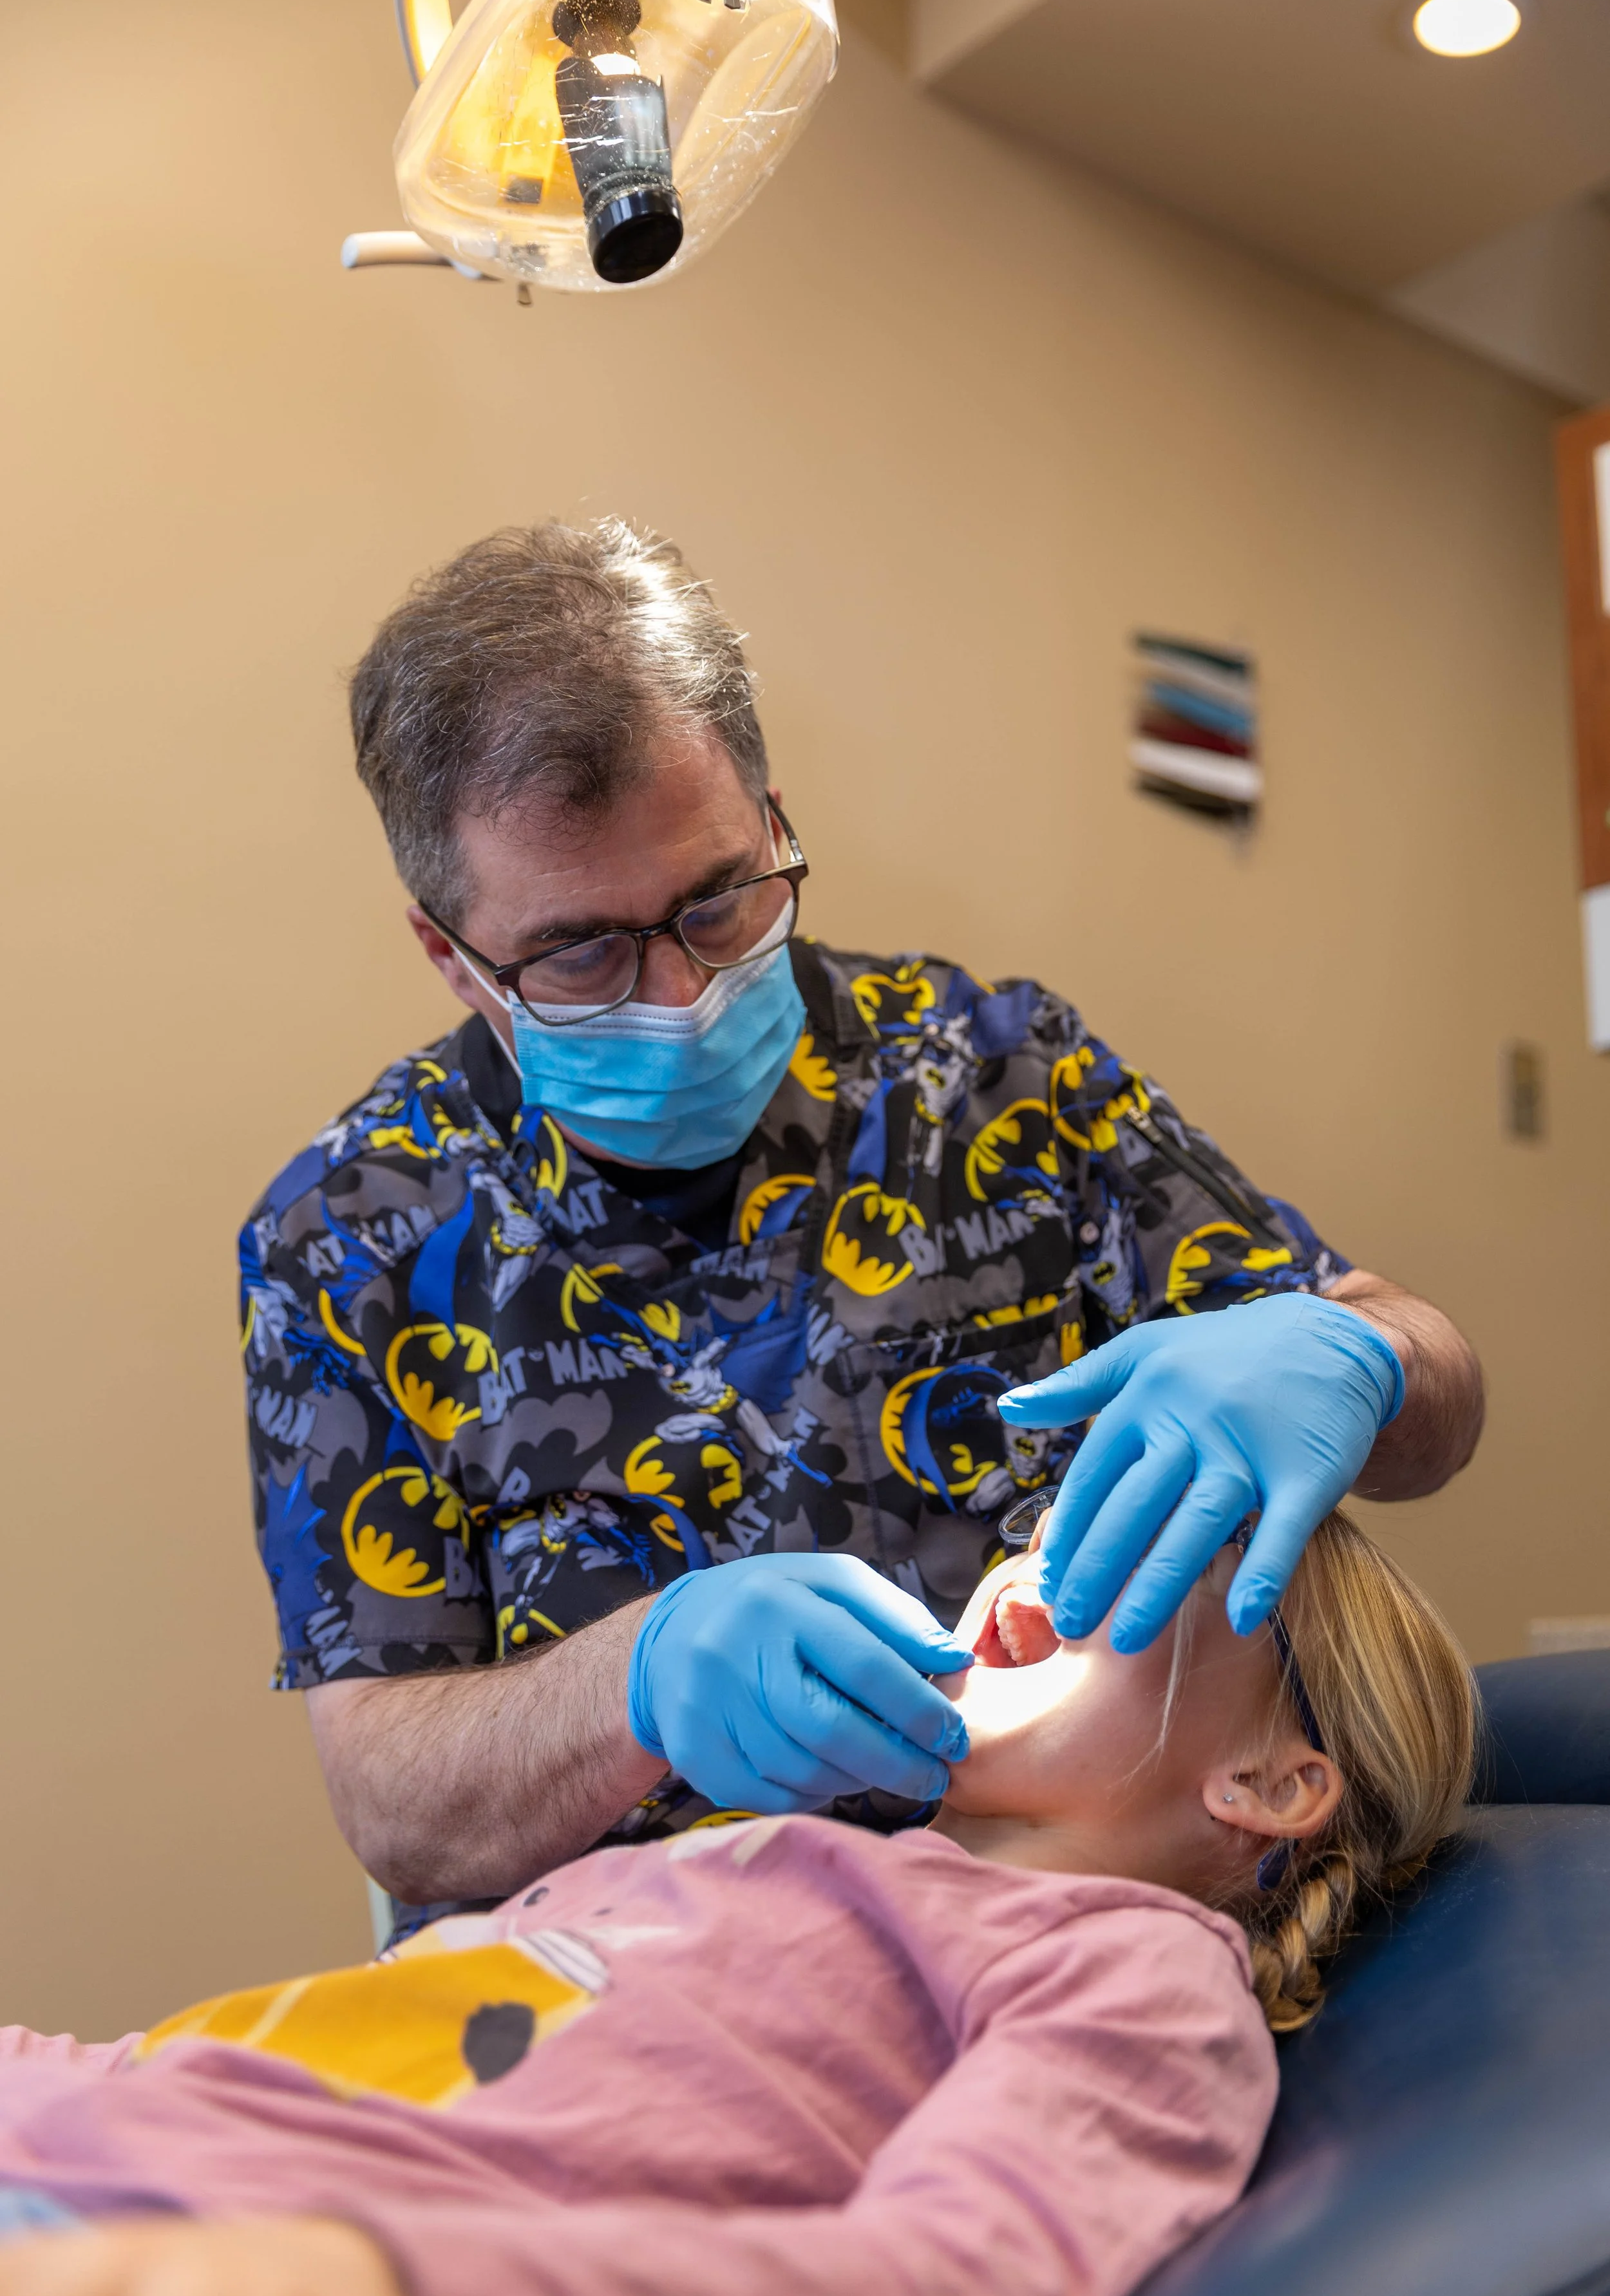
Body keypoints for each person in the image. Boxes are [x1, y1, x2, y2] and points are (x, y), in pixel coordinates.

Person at [240, 518, 1484, 1915]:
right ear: (452, 958)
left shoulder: (999, 1073)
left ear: (771, 819)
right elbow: (397, 1813)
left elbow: (1426, 1399)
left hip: (1033, 1916)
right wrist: (631, 1682)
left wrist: (1364, 1359)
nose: (678, 992)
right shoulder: (348, 1235)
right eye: (581, 950)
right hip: (614, 1993)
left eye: (718, 899)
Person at [0, 1513, 1473, 2296]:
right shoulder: (738, 1860)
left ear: (1272, 1784)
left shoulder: (1125, 1970)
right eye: (1061, 1510)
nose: (1045, 1544)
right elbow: (240, 2066)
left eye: (1150, 1539)